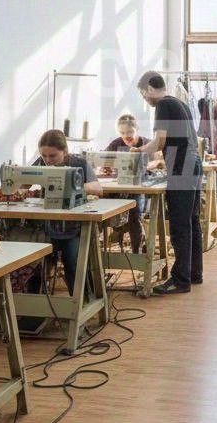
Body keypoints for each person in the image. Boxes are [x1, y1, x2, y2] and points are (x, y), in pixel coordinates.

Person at [135, 72, 202, 295]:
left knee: (179, 225)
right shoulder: (180, 103)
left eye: (143, 94)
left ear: (149, 88)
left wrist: (138, 151)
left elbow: (160, 141)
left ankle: (180, 281)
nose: (145, 99)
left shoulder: (163, 105)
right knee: (191, 222)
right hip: (193, 163)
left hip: (182, 166)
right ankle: (194, 274)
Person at [33, 129, 103, 297]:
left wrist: (71, 186)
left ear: (65, 151)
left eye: (53, 155)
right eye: (44, 155)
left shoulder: (79, 164)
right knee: (32, 262)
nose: (48, 160)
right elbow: (21, 185)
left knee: (74, 262)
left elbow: (97, 188)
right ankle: (32, 306)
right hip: (47, 227)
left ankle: (81, 302)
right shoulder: (40, 163)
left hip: (75, 228)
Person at [101, 113, 152, 255]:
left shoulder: (147, 144)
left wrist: (148, 166)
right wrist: (107, 167)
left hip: (140, 187)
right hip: (120, 186)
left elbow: (158, 162)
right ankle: (99, 253)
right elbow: (104, 161)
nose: (126, 136)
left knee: (134, 216)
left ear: (137, 129)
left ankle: (136, 253)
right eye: (122, 133)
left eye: (130, 132)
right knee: (102, 210)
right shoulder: (116, 144)